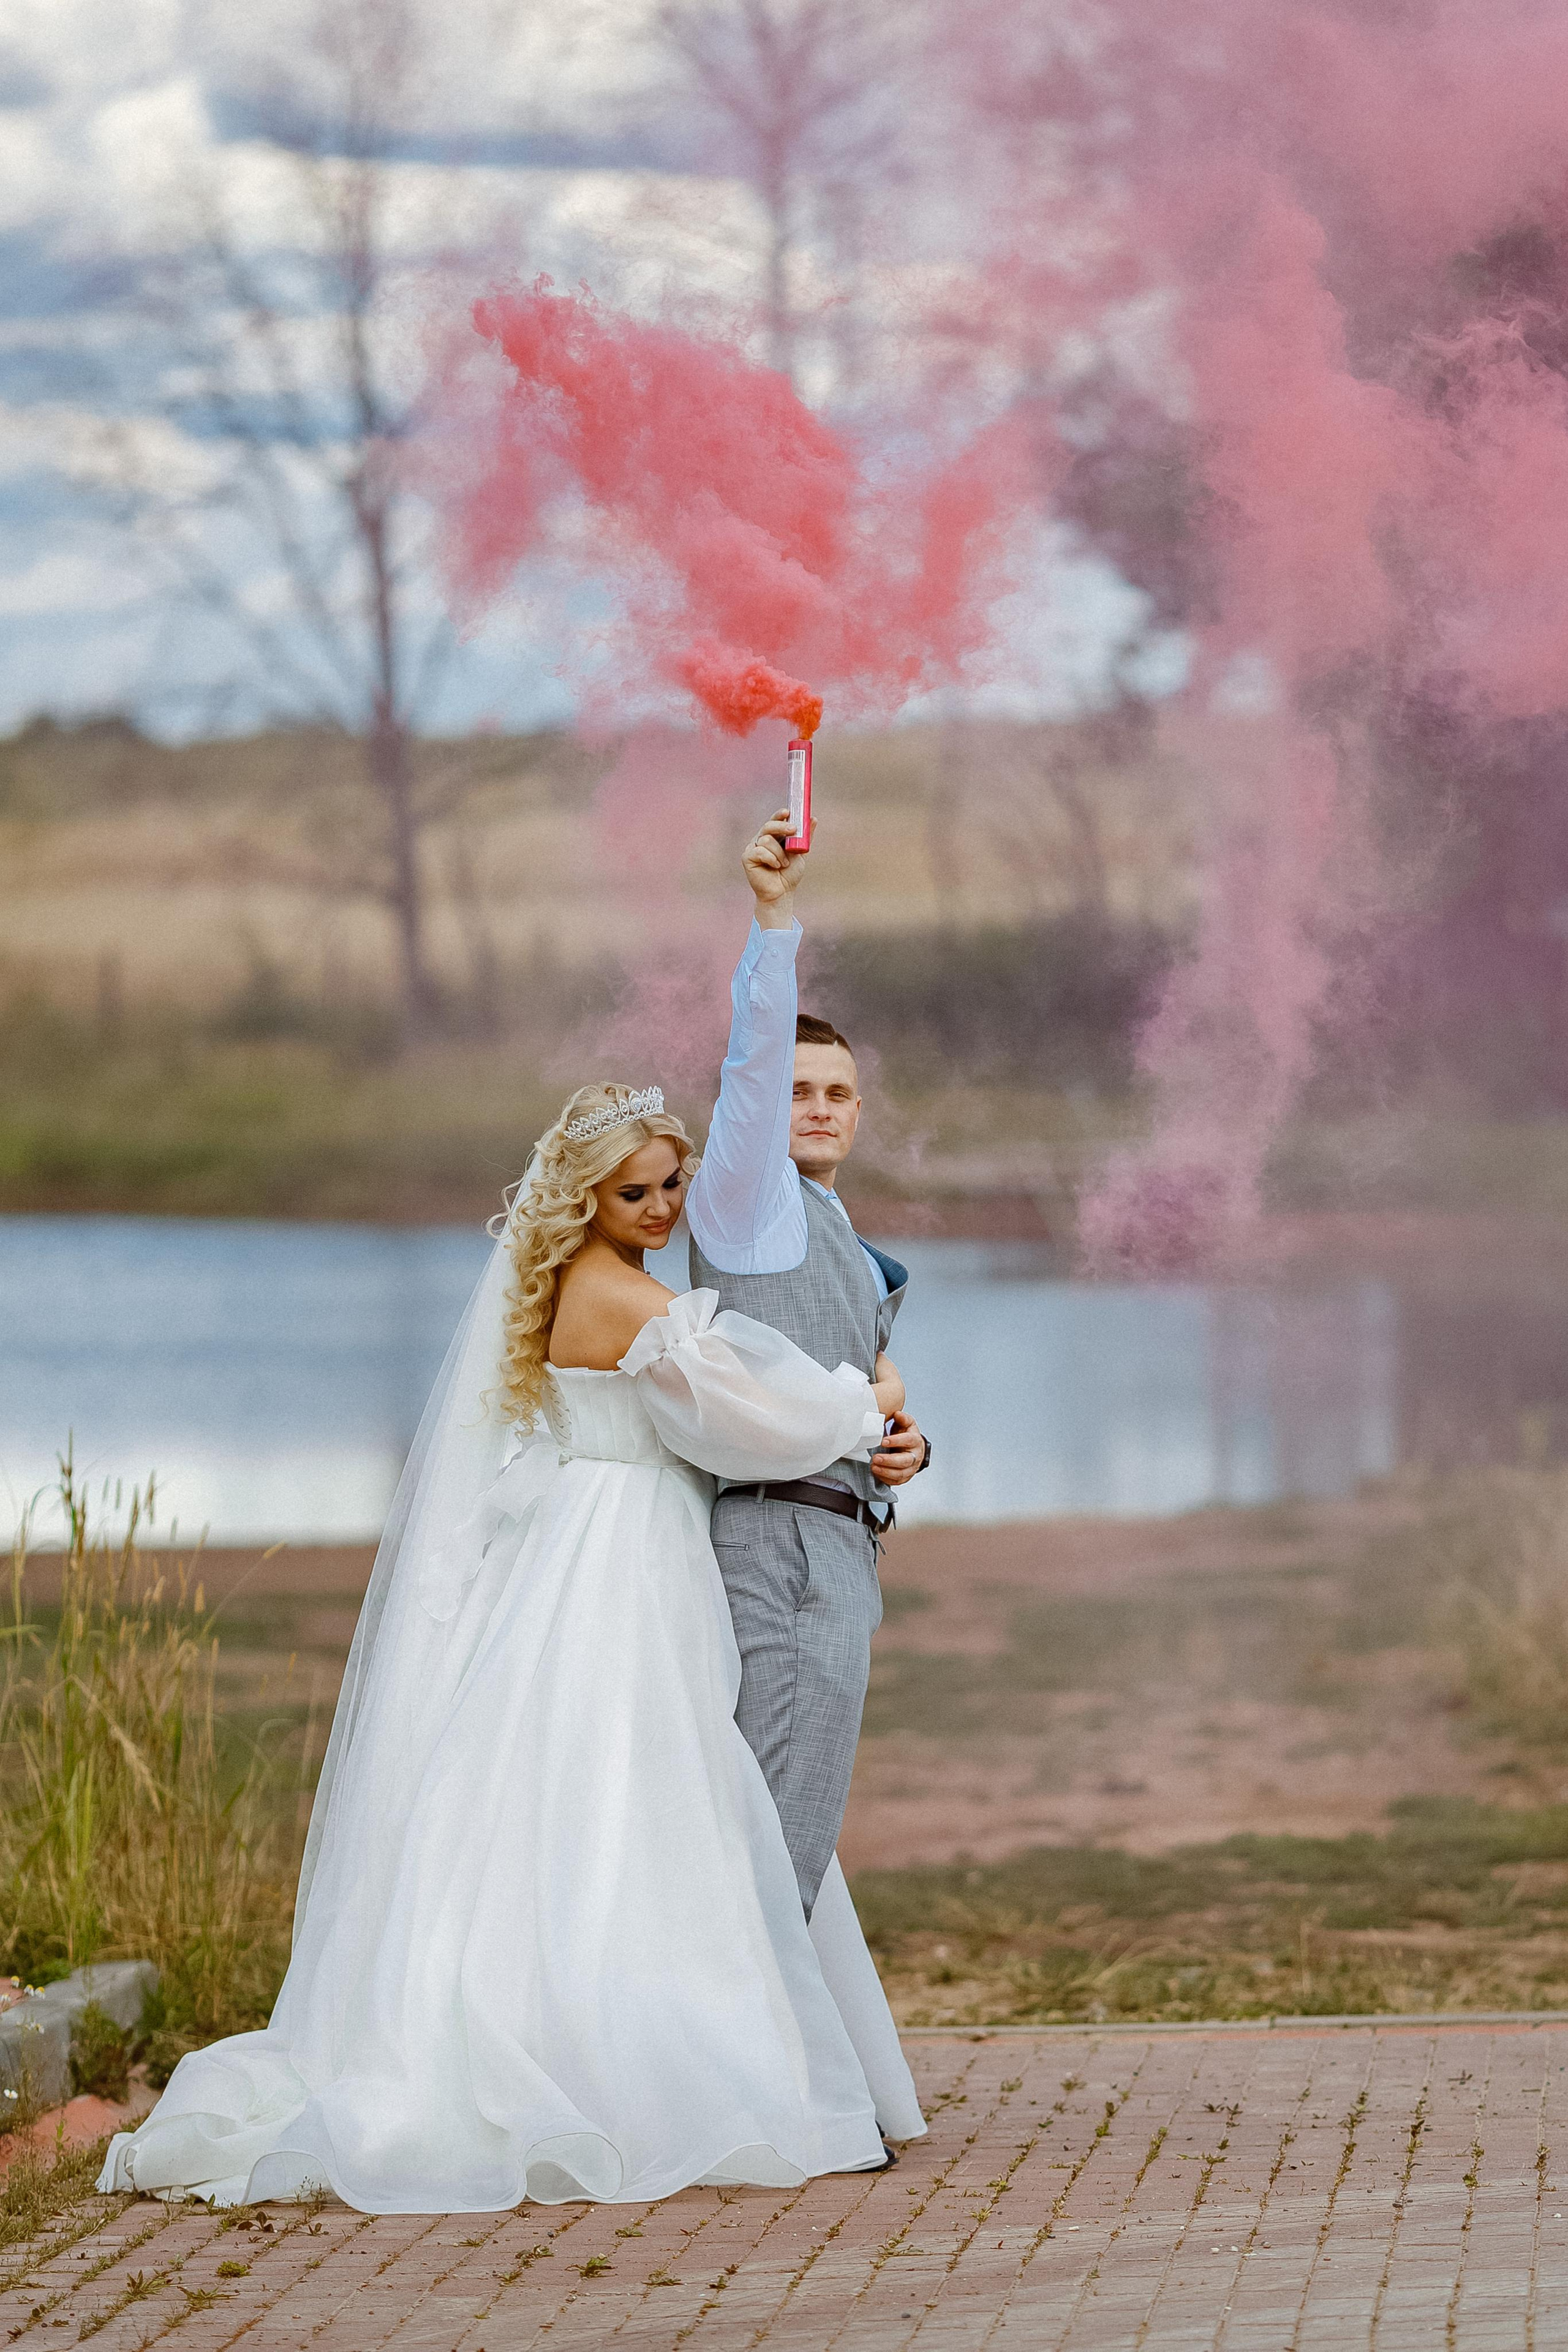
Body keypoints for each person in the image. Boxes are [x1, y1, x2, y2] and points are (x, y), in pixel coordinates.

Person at [98, 1085, 925, 2213]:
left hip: (601, 1537)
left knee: (585, 1786)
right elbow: (748, 1419)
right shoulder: (625, 1298)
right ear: (584, 1198)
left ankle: (603, 2013)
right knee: (637, 1775)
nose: (661, 1208)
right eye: (633, 1192)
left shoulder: (591, 1284)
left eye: (673, 1185)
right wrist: (863, 1400)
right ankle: (613, 2049)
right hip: (625, 1551)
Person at [685, 812, 929, 1922]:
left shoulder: (837, 1231)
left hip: (843, 1540)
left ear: (860, 1114)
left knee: (802, 1819)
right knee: (774, 1826)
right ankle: (739, 2080)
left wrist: (905, 1448)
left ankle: (756, 2059)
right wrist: (774, 918)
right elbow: (752, 1059)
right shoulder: (748, 1207)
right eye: (798, 1090)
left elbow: (858, 1391)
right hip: (776, 1543)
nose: (817, 1107)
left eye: (837, 1094)